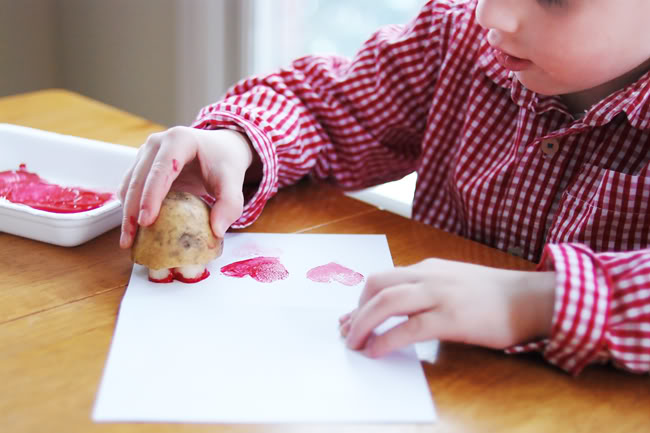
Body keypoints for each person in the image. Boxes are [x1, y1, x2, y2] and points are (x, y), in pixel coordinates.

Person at [118, 0, 650, 375]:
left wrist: (537, 302)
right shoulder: (458, 37)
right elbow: (324, 108)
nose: (491, 13)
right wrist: (239, 145)